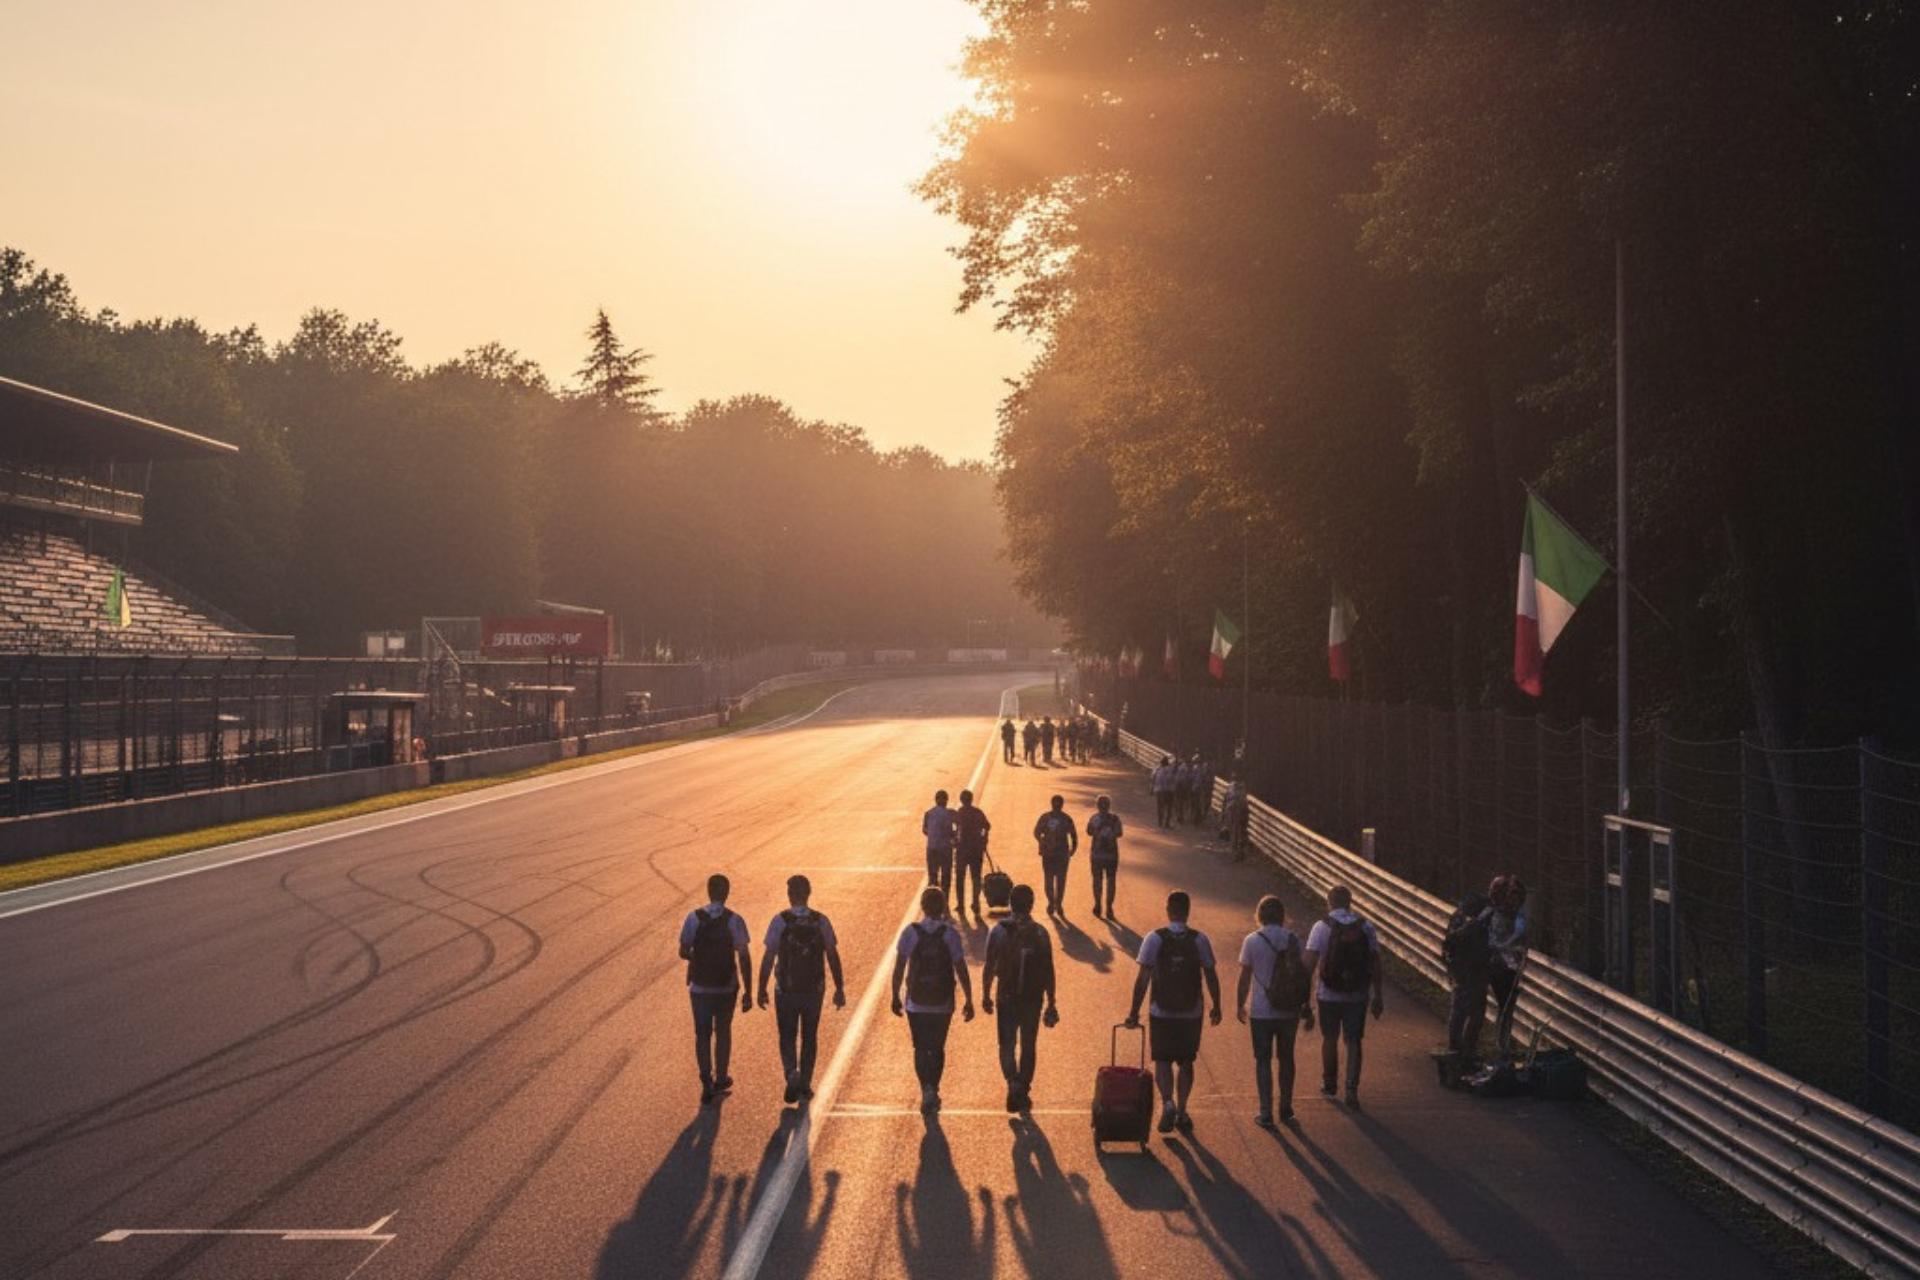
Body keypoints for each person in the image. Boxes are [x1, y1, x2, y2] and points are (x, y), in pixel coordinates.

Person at [1125, 891, 1221, 1133]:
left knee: (1163, 1059)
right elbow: (1210, 974)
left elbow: (1143, 977)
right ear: (1188, 911)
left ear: (1168, 910)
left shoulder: (1154, 938)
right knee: (1187, 1061)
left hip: (1161, 1010)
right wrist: (1217, 1006)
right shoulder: (1199, 940)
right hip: (1192, 1011)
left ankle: (1167, 1101)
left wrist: (1134, 1011)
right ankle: (1182, 1110)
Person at [758, 874, 848, 1104]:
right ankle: (806, 1082)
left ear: (790, 895)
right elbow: (832, 955)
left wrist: (760, 988)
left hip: (785, 989)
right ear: (808, 893)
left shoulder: (780, 921)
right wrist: (839, 987)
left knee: (787, 1035)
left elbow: (769, 957)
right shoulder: (820, 921)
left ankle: (791, 1073)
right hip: (813, 989)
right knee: (810, 1036)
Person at [891, 886, 974, 1112]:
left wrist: (894, 994)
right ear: (943, 906)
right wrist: (969, 997)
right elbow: (960, 967)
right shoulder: (950, 934)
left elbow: (900, 966)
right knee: (937, 1047)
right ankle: (934, 1088)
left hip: (916, 1002)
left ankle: (925, 1089)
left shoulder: (910, 932)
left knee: (920, 1046)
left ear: (923, 906)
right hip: (942, 1001)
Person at [1303, 884, 1384, 1108]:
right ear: (1350, 902)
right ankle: (1351, 1090)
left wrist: (1303, 998)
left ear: (1329, 902)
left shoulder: (1321, 926)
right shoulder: (1365, 927)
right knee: (1354, 1041)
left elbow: (1309, 962)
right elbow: (1375, 962)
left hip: (1328, 994)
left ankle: (1330, 1083)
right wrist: (1377, 995)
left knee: (1329, 1038)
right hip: (1357, 994)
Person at [980, 883, 1058, 1113]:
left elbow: (989, 965)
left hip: (1006, 996)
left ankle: (1012, 1082)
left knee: (1006, 1044)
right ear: (1031, 904)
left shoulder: (998, 930)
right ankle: (1024, 1087)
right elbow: (1048, 970)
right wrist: (1051, 1002)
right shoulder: (1041, 933)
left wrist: (985, 994)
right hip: (1032, 999)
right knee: (1028, 1044)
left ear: (1010, 904)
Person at [1237, 895, 1312, 1127]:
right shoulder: (1291, 939)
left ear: (1259, 914)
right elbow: (1300, 974)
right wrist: (1304, 1003)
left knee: (1263, 1060)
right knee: (1286, 1058)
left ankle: (1265, 1111)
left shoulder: (1252, 940)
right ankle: (1286, 1109)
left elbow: (1245, 976)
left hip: (1261, 1010)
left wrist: (1239, 1004)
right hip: (1288, 1009)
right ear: (1281, 915)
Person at [680, 873, 754, 1104]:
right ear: (727, 892)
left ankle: (706, 1080)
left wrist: (698, 958)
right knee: (723, 1032)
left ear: (708, 891)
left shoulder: (693, 918)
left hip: (700, 987)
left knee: (702, 1035)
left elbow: (683, 951)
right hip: (725, 987)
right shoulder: (734, 920)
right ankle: (721, 1077)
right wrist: (748, 991)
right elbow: (744, 957)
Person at [1441, 887, 1494, 1060]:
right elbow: (1450, 942)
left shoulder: (1486, 915)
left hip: (1476, 968)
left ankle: (1466, 1049)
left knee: (1475, 1013)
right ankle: (1457, 1048)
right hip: (1463, 968)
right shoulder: (1467, 919)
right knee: (1461, 1011)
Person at [1486, 875, 1531, 1056]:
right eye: (1511, 895)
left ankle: (1503, 1043)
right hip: (1500, 966)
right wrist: (1512, 946)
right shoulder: (1497, 916)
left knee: (1507, 1007)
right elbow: (1493, 942)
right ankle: (1501, 1045)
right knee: (1505, 1007)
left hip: (1510, 966)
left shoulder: (1514, 916)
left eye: (1517, 896)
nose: (1514, 900)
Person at [1032, 793, 1079, 915]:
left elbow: (1073, 835)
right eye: (1055, 804)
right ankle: (1053, 902)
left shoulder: (1055, 818)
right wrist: (1041, 840)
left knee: (1056, 880)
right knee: (1054, 880)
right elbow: (1037, 832)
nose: (1057, 806)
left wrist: (1073, 849)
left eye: (1058, 804)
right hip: (1052, 854)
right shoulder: (1052, 818)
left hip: (1059, 854)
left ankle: (1056, 903)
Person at [955, 788, 993, 919]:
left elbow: (955, 829)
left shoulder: (959, 812)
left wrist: (954, 841)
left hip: (962, 849)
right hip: (976, 848)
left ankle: (961, 904)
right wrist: (984, 838)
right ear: (971, 799)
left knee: (960, 877)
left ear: (961, 800)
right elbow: (987, 826)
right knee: (975, 877)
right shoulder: (977, 812)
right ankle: (975, 903)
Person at [1085, 794, 1123, 917]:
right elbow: (1119, 833)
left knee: (1097, 881)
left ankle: (1097, 905)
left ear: (1097, 805)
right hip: (1111, 854)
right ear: (1109, 805)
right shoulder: (1115, 819)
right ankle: (1109, 907)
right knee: (1111, 881)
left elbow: (1089, 832)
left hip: (1097, 854)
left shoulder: (1094, 818)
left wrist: (1099, 831)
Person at [922, 789, 958, 897]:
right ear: (946, 800)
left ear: (935, 800)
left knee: (933, 875)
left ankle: (932, 901)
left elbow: (925, 830)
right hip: (946, 848)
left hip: (932, 848)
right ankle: (945, 899)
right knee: (946, 875)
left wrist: (934, 835)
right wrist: (954, 835)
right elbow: (959, 827)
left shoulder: (928, 813)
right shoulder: (950, 813)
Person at [1151, 756, 1177, 828]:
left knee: (1160, 807)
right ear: (1167, 763)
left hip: (1158, 790)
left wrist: (1152, 789)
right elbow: (1170, 779)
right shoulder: (1169, 770)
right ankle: (1166, 823)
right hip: (1167, 791)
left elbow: (1152, 778)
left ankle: (1160, 822)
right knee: (1168, 807)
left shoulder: (1156, 769)